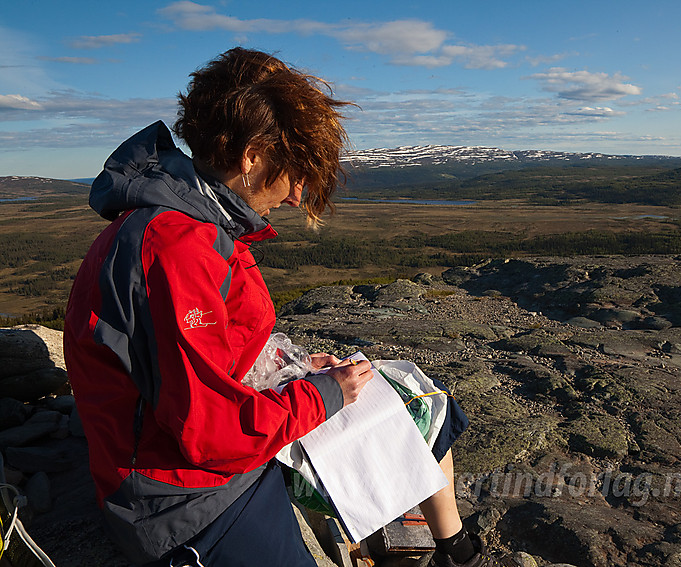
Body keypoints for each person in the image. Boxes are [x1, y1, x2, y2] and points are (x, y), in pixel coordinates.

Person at [64, 47, 501, 567]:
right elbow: (204, 429)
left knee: (420, 407)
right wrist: (320, 396)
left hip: (207, 465)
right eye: (294, 173)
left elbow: (205, 352)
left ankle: (442, 550)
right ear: (252, 156)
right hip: (183, 499)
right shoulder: (178, 247)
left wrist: (290, 368)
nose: (297, 197)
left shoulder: (200, 228)